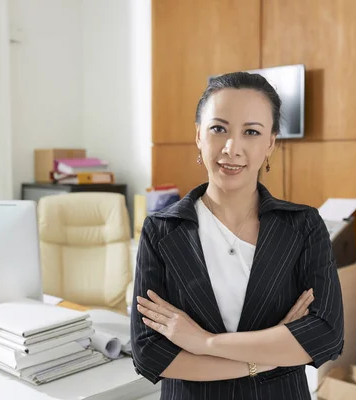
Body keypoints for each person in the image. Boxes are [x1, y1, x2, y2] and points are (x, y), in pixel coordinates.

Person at [130, 71, 344, 400]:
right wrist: (267, 359)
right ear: (199, 135)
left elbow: (326, 336)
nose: (232, 148)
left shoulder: (303, 226)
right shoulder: (161, 231)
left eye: (251, 132)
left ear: (270, 142)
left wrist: (205, 343)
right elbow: (149, 352)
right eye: (219, 129)